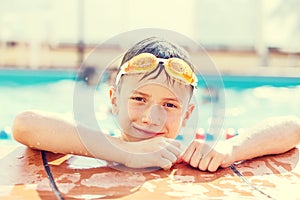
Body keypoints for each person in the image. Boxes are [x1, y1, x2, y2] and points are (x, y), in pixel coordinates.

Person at [12, 37, 300, 172]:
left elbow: (292, 128)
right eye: (138, 99)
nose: (152, 118)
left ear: (188, 115)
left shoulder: (196, 149)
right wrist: (122, 150)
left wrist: (232, 149)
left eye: (170, 105)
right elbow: (25, 124)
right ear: (114, 100)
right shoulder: (96, 144)